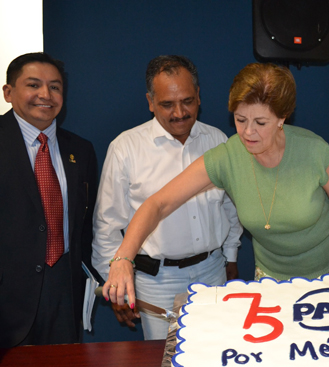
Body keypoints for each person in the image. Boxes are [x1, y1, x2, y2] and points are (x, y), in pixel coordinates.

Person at [102, 62, 329, 308]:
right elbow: (159, 203)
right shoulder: (228, 157)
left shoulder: (314, 151)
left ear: (282, 117)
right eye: (240, 120)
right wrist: (123, 257)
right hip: (272, 281)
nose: (248, 132)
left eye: (260, 123)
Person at [92, 55, 242, 340]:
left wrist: (231, 255)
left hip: (213, 271)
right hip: (156, 281)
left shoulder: (218, 141)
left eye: (187, 100)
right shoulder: (126, 148)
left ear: (199, 96)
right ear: (150, 101)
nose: (179, 113)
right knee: (166, 356)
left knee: (218, 349)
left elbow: (230, 207)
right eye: (167, 104)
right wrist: (116, 286)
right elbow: (107, 228)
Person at [0, 52, 98, 347]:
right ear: (8, 92)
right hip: (8, 296)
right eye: (34, 85)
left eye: (55, 87)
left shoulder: (81, 149)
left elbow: (87, 223)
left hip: (64, 290)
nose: (46, 94)